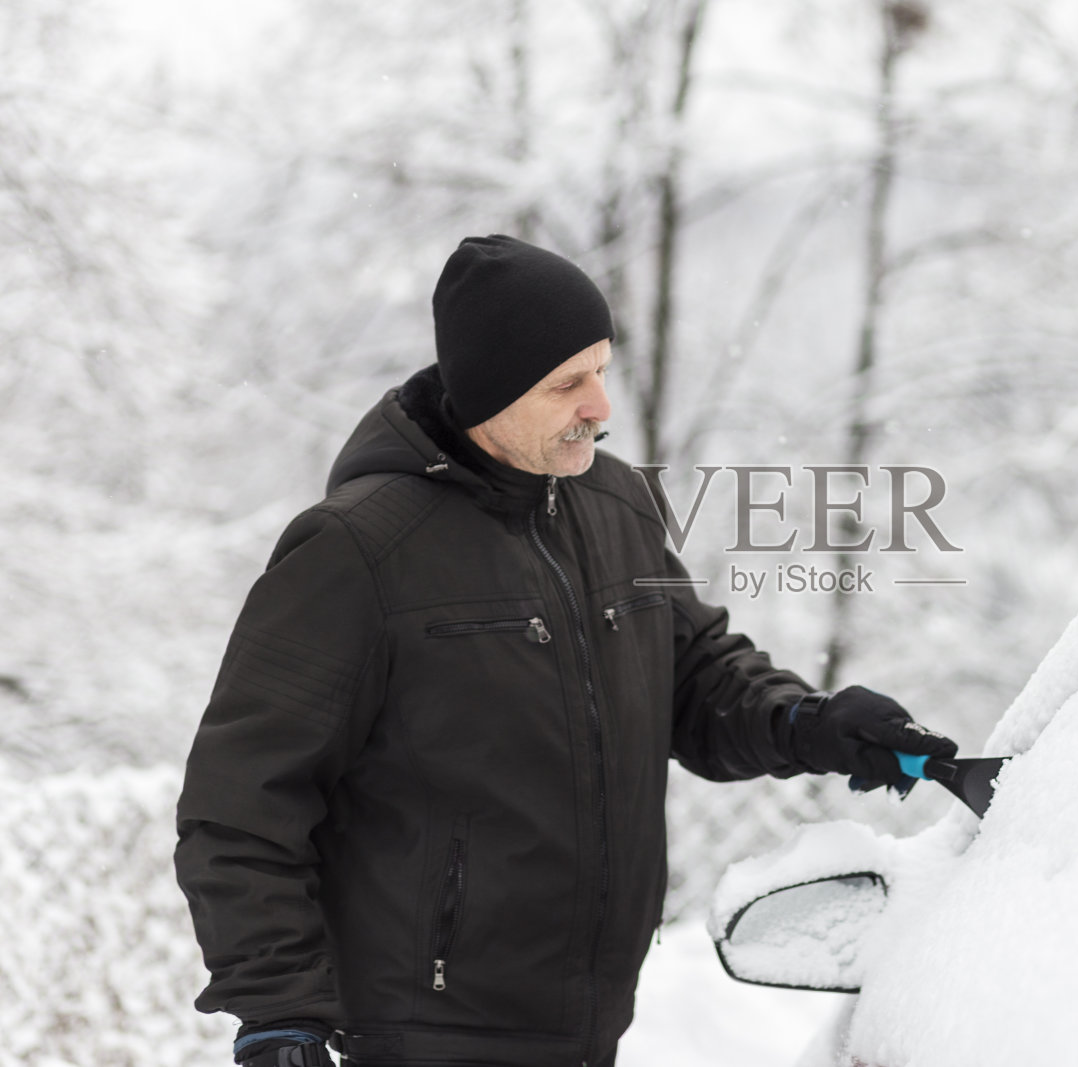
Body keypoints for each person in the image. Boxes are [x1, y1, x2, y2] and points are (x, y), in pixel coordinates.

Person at [174, 234, 956, 1067]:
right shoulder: (359, 550)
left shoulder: (616, 504)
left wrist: (810, 722)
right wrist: (279, 1015)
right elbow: (242, 801)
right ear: (490, 391)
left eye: (602, 370)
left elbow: (695, 676)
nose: (600, 404)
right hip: (423, 1035)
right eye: (567, 383)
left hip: (589, 1030)